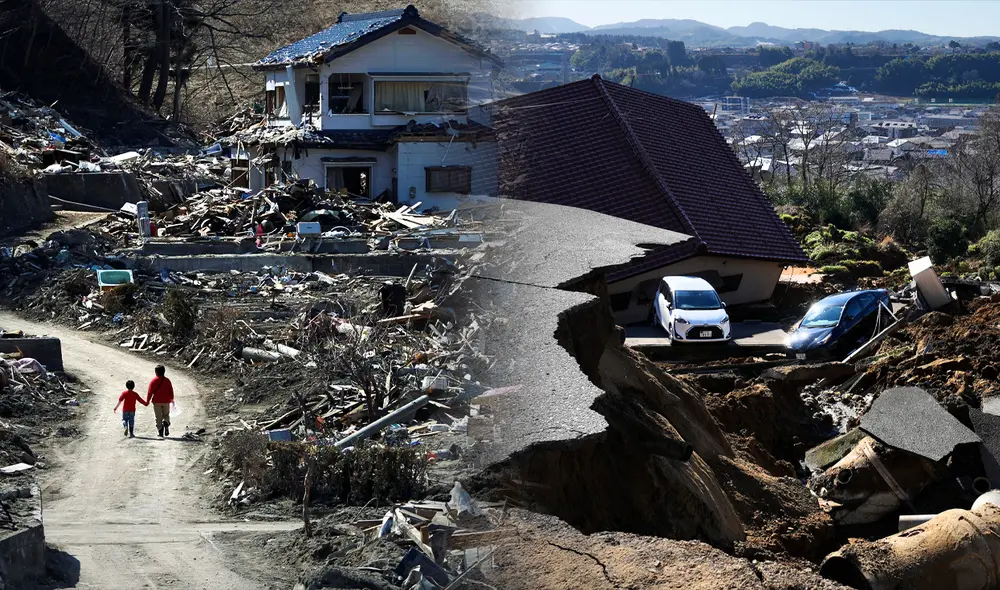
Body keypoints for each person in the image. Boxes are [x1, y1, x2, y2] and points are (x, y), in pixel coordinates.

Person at [146, 365, 174, 437]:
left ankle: (160, 431)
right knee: (166, 415)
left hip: (157, 402)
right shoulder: (167, 381)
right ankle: (166, 422)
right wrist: (171, 399)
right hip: (166, 401)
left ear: (156, 372)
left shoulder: (153, 381)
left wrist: (147, 401)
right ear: (164, 371)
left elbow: (150, 392)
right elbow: (171, 391)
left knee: (158, 417)